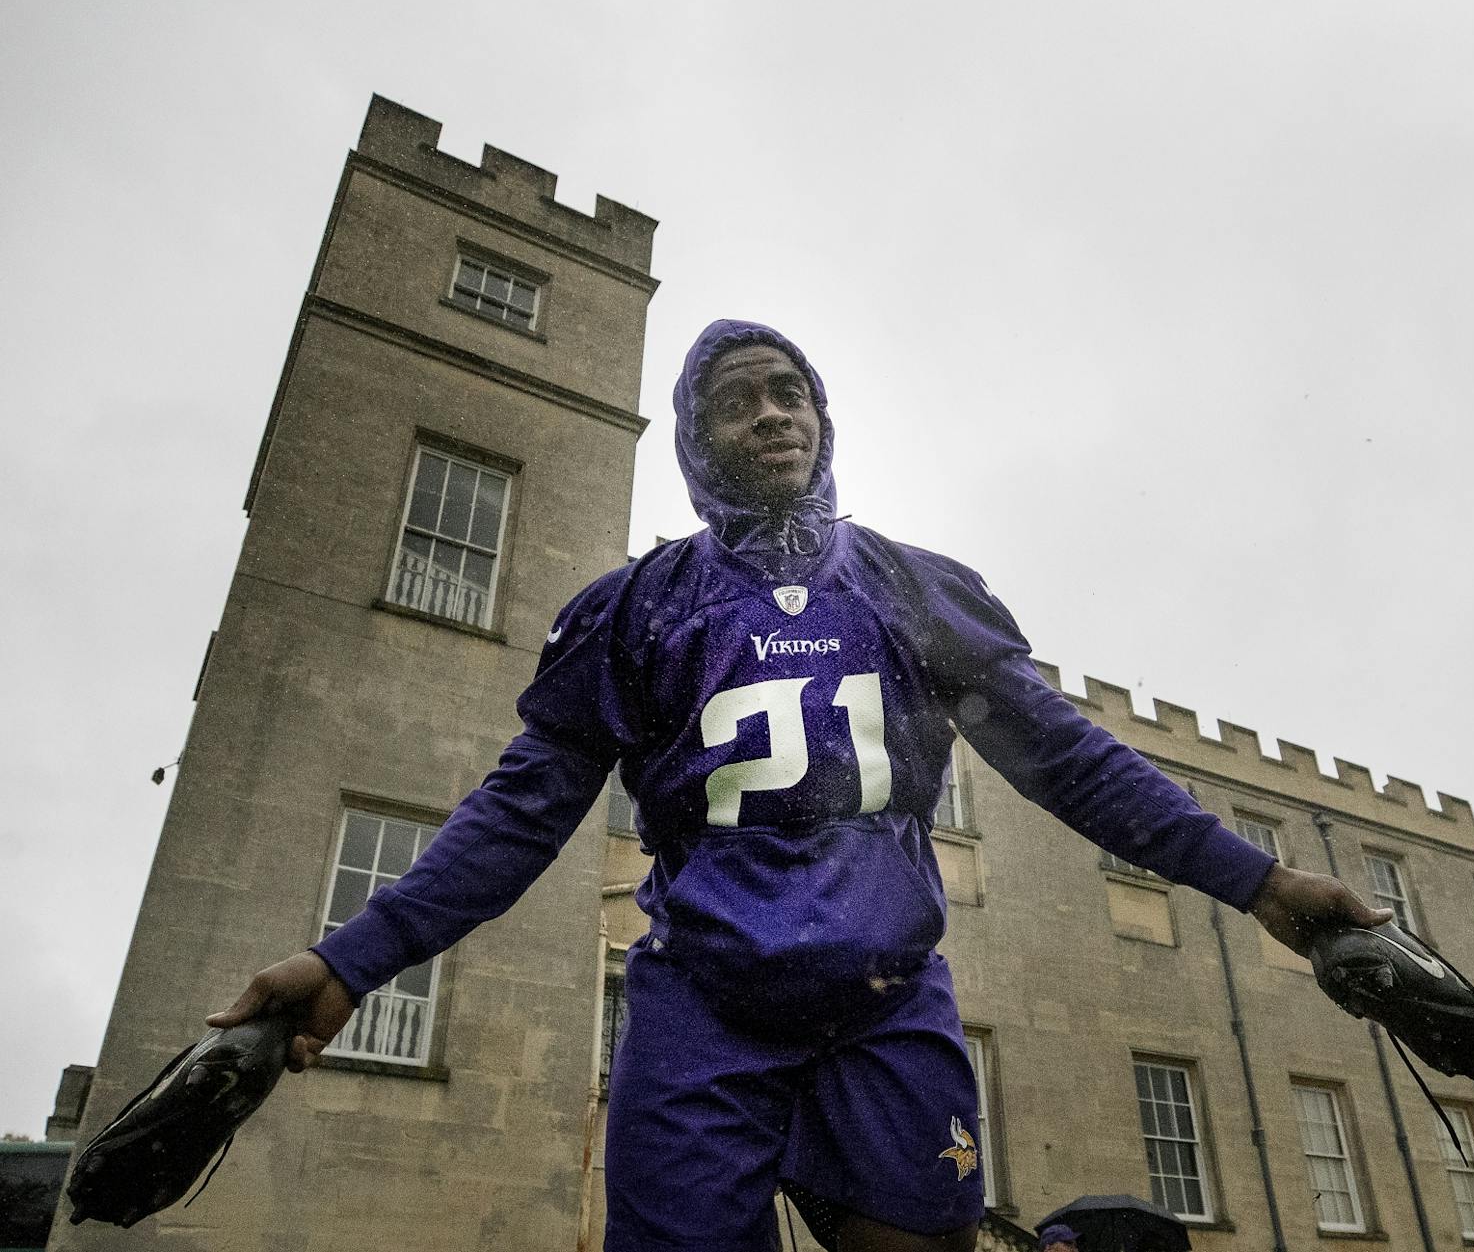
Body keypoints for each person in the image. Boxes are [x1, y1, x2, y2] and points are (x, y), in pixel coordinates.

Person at [210, 321, 1388, 1252]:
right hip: (701, 1003)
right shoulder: (638, 609)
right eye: (737, 400)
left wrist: (1260, 879)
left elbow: (1065, 756)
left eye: (791, 390)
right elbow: (522, 809)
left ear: (825, 415)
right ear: (693, 440)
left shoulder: (910, 588)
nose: (772, 413)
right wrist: (351, 957)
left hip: (884, 998)